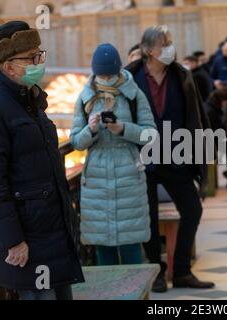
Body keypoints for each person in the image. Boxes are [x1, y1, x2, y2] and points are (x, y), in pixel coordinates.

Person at [0, 21, 84, 300]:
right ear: (8, 66)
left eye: (39, 55)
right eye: (31, 58)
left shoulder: (31, 101)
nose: (38, 62)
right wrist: (14, 240)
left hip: (50, 233)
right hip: (28, 243)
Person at [126, 25, 214, 293]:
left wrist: (203, 165)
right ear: (148, 50)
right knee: (148, 218)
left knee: (193, 210)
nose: (170, 48)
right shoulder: (130, 77)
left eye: (170, 43)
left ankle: (183, 271)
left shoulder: (182, 76)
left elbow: (197, 118)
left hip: (178, 157)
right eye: (164, 44)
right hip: (143, 160)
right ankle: (157, 272)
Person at [70, 43, 157, 266]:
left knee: (131, 244)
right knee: (103, 246)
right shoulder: (85, 97)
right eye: (102, 74)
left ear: (119, 69)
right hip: (97, 179)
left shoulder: (133, 94)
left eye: (110, 74)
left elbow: (151, 135)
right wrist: (90, 129)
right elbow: (76, 141)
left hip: (128, 173)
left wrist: (123, 129)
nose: (106, 78)